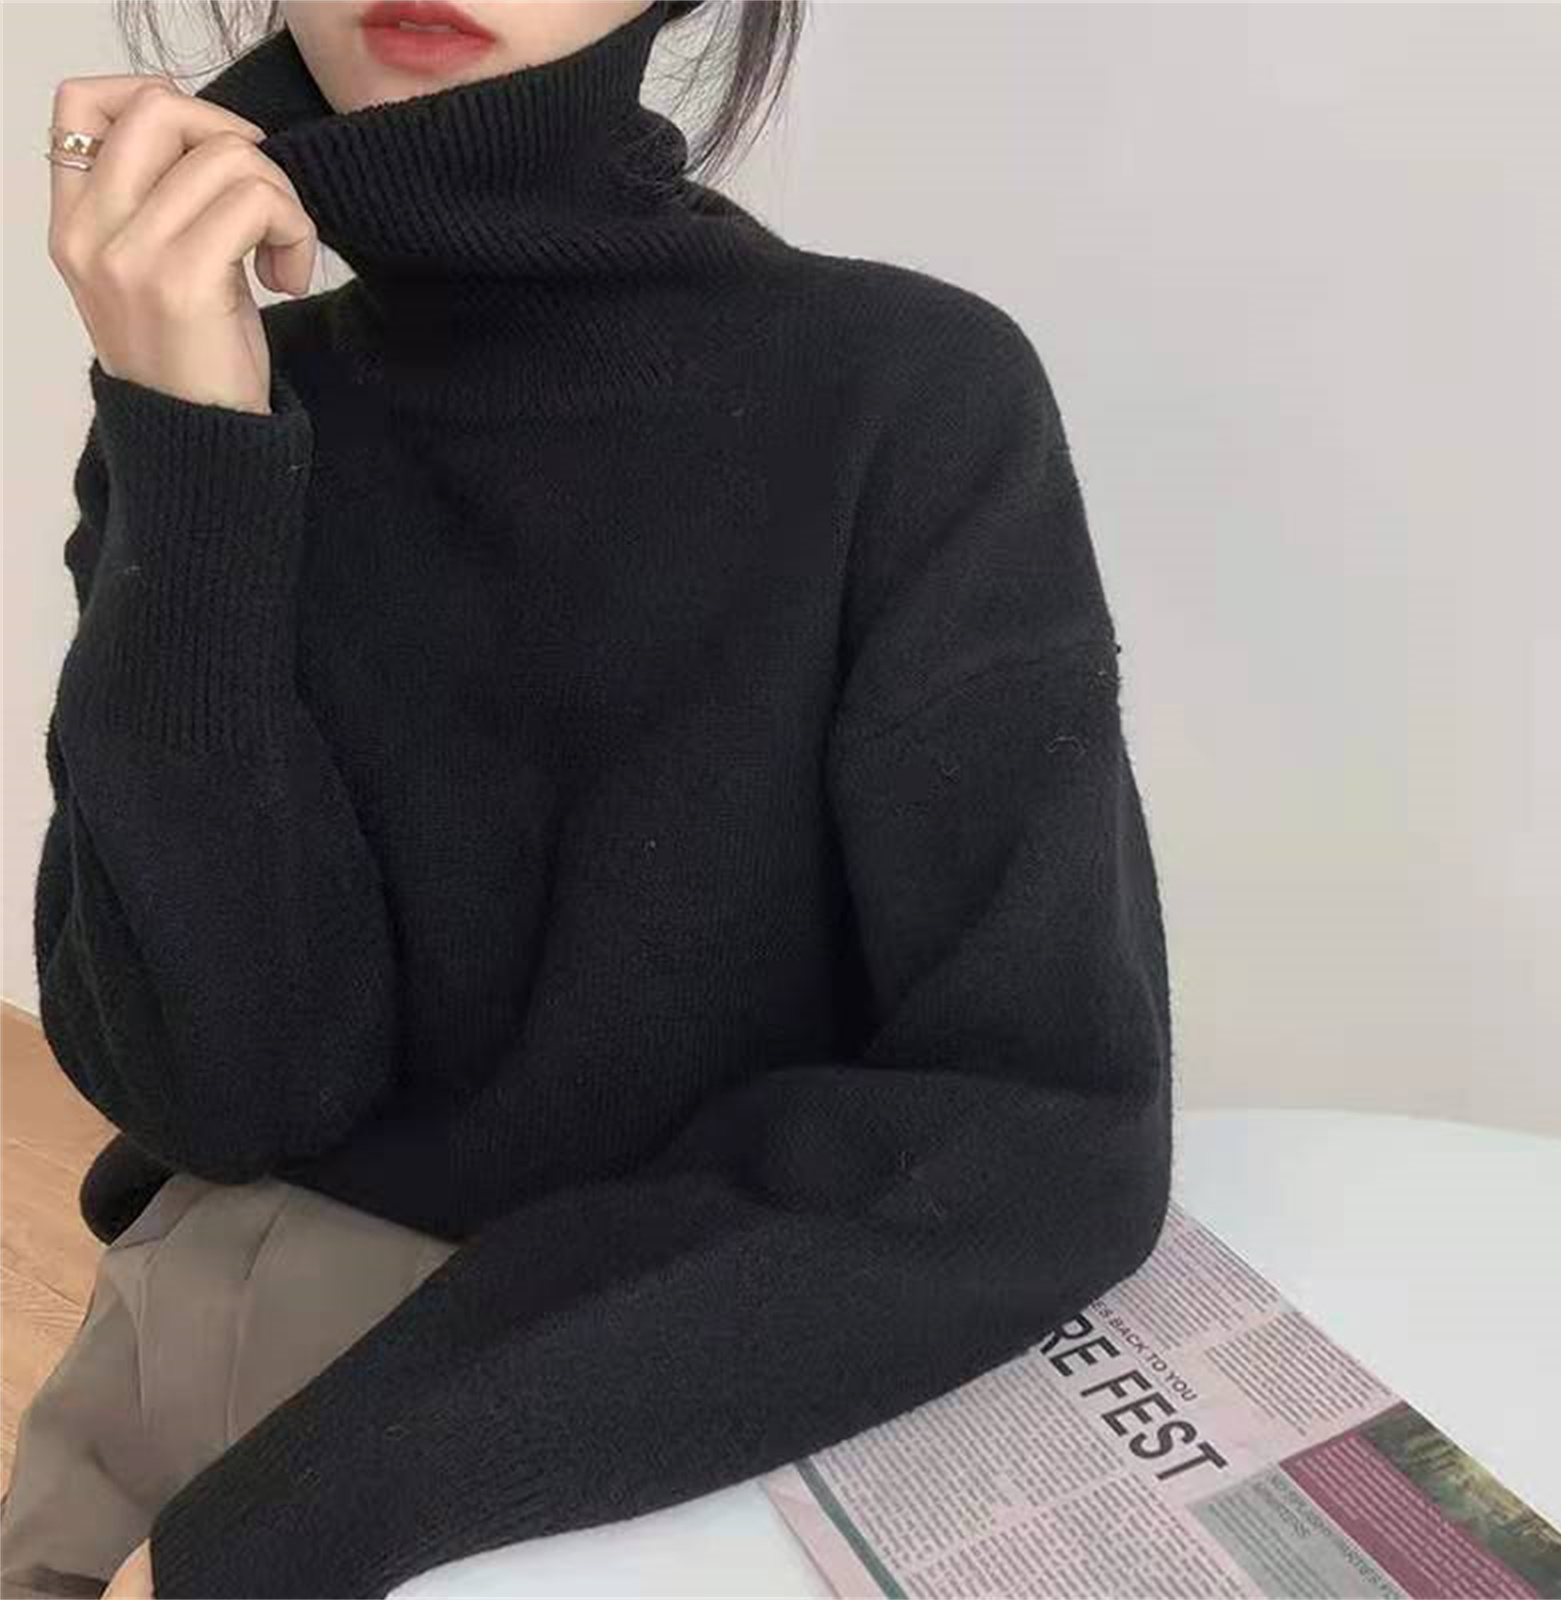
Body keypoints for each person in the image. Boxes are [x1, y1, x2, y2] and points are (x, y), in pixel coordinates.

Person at [2, 2, 1175, 1595]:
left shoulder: (906, 395)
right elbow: (222, 1094)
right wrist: (191, 454)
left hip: (626, 1421)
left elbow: (1042, 1131)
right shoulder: (224, 397)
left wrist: (311, 1518)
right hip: (175, 1383)